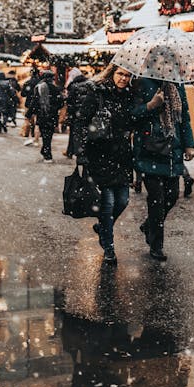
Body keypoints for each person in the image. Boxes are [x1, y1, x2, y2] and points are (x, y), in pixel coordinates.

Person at [131, 78, 194, 261]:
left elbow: (184, 118)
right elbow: (133, 115)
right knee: (156, 200)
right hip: (149, 150)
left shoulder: (178, 86)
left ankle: (148, 226)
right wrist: (151, 106)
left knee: (172, 195)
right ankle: (156, 245)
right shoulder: (142, 83)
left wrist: (189, 145)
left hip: (172, 152)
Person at [77, 64, 134, 265]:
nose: (123, 78)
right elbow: (81, 122)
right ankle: (108, 247)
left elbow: (133, 122)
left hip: (122, 156)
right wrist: (81, 152)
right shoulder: (98, 93)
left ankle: (102, 227)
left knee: (123, 201)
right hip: (99, 155)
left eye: (127, 75)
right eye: (120, 74)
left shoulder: (129, 96)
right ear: (112, 73)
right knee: (107, 204)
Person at [27, 70, 63, 162]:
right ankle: (45, 151)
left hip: (42, 114)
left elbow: (35, 102)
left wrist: (29, 113)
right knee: (49, 135)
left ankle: (47, 155)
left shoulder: (39, 88)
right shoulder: (56, 88)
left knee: (45, 135)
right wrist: (54, 108)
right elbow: (61, 103)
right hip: (52, 115)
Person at [64, 67, 89, 158]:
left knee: (73, 134)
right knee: (85, 134)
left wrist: (70, 114)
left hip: (75, 114)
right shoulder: (88, 84)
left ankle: (71, 152)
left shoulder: (73, 85)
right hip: (85, 114)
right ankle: (82, 152)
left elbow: (70, 102)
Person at [21, 67, 40, 145]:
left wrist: (28, 92)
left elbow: (23, 94)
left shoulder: (27, 83)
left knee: (28, 120)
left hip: (28, 104)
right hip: (38, 104)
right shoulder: (40, 83)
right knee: (37, 123)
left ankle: (28, 136)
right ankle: (36, 139)